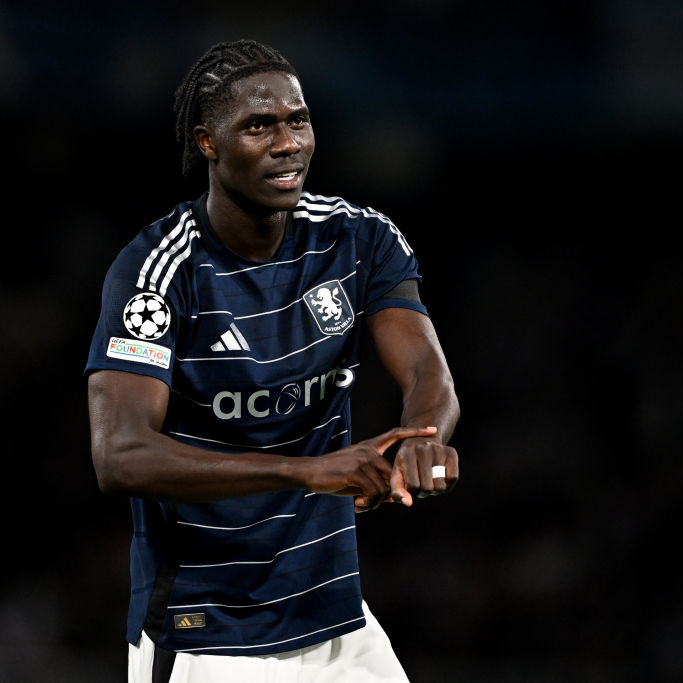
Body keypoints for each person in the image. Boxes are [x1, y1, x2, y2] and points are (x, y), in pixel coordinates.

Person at [84, 39, 460, 682]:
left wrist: (421, 439)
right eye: (259, 126)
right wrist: (304, 472)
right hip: (208, 635)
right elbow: (119, 455)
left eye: (298, 120)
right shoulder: (158, 273)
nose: (288, 143)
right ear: (208, 142)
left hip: (338, 624)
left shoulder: (358, 238)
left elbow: (430, 375)